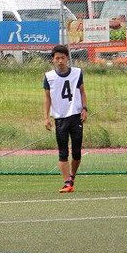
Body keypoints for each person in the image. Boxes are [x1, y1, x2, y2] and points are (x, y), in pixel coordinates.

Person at [43, 43, 88, 193]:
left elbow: (82, 92)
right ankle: (67, 182)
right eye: (57, 58)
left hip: (76, 116)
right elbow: (47, 98)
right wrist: (46, 117)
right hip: (60, 118)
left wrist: (84, 108)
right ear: (53, 60)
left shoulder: (77, 73)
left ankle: (72, 177)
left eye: (62, 58)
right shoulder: (49, 77)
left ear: (67, 58)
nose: (60, 61)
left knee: (76, 152)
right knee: (63, 152)